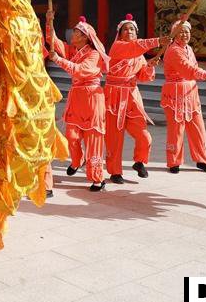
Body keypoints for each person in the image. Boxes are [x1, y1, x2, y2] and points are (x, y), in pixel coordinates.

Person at [47, 12, 109, 192]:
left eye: (75, 32)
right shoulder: (72, 51)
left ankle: (98, 177)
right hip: (76, 98)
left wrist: (58, 60)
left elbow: (81, 71)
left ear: (85, 37)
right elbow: (54, 41)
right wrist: (49, 22)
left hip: (92, 99)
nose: (72, 35)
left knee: (93, 139)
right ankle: (77, 160)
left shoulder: (94, 54)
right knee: (72, 136)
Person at [104, 14, 169, 183]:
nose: (129, 31)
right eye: (125, 29)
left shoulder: (138, 55)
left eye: (132, 29)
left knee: (144, 135)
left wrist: (148, 66)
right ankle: (115, 171)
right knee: (114, 137)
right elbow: (133, 48)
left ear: (136, 32)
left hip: (132, 97)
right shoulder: (117, 47)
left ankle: (139, 161)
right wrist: (157, 41)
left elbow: (143, 77)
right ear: (119, 33)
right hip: (114, 95)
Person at [162, 20, 206, 174]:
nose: (185, 34)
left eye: (187, 31)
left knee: (198, 128)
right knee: (176, 129)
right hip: (176, 91)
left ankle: (202, 160)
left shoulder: (188, 48)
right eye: (181, 31)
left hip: (191, 92)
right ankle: (174, 162)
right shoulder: (173, 50)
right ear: (174, 34)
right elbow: (188, 69)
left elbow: (194, 67)